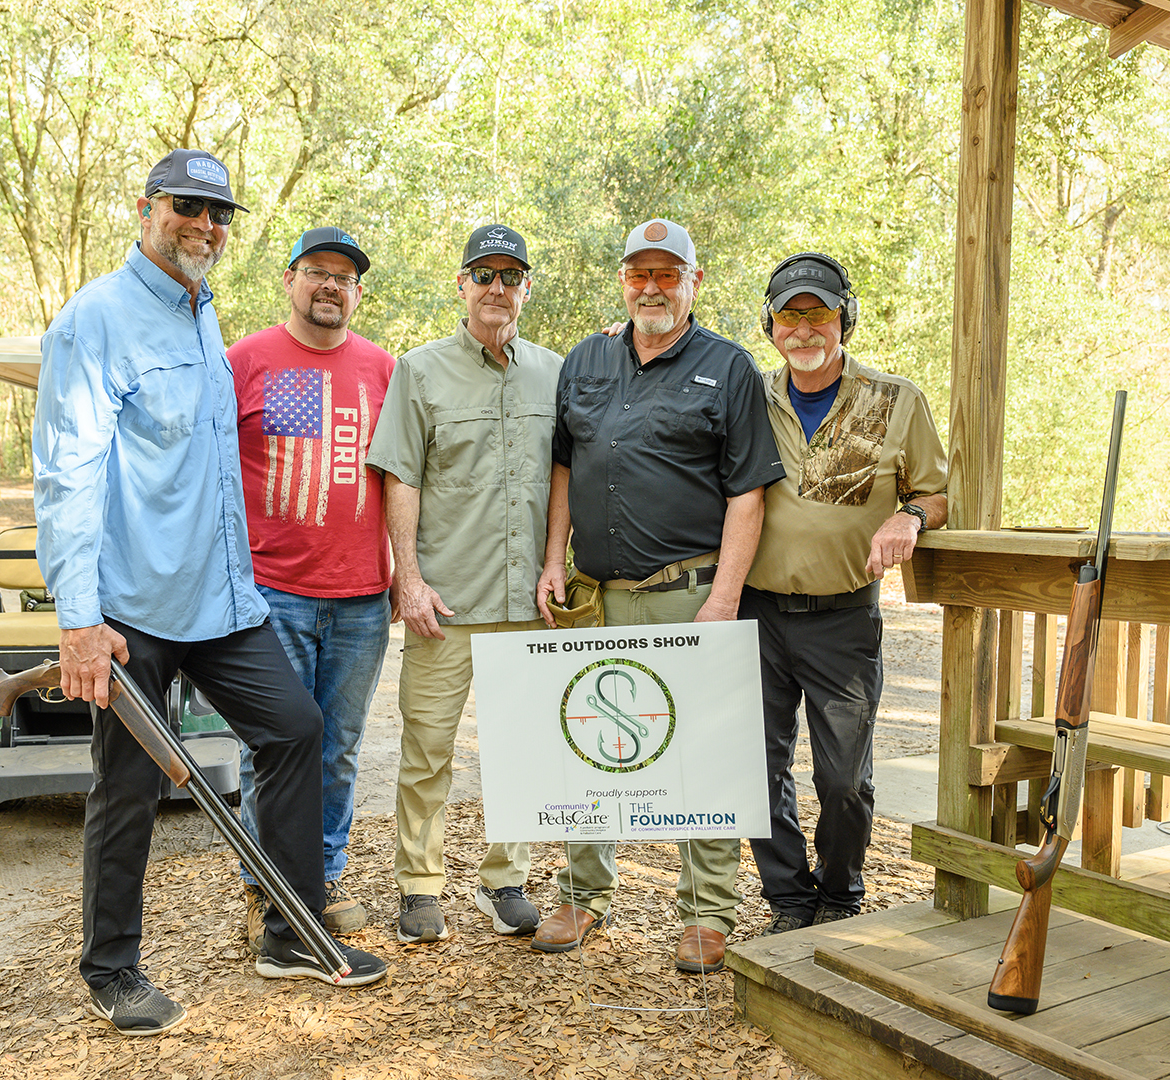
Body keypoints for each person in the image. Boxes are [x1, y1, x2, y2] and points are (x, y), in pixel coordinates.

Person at [32, 150, 386, 1037]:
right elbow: (65, 478)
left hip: (223, 604)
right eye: (188, 207)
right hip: (131, 612)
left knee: (296, 730)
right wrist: (79, 619)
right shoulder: (96, 319)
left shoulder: (202, 314)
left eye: (219, 213)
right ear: (147, 209)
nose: (205, 225)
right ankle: (111, 968)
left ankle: (290, 931)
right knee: (128, 787)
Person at [534, 218, 786, 975]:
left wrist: (723, 598)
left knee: (699, 755)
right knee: (590, 744)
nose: (651, 287)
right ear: (623, 280)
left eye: (667, 273)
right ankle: (582, 893)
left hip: (689, 591)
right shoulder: (585, 359)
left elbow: (749, 494)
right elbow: (561, 469)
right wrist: (554, 559)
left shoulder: (727, 368)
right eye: (639, 274)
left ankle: (706, 912)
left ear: (692, 282)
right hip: (595, 592)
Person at [365, 224, 563, 944]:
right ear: (462, 285)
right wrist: (408, 580)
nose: (496, 289)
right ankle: (419, 886)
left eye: (510, 277)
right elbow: (400, 477)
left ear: (525, 289)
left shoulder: (556, 371)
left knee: (523, 748)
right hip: (445, 602)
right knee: (426, 750)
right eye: (483, 275)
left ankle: (503, 878)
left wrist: (553, 563)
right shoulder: (419, 371)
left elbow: (563, 477)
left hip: (526, 603)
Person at [740, 252, 948, 934]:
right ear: (769, 326)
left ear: (844, 321)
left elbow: (937, 492)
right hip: (757, 613)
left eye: (818, 315)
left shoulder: (894, 400)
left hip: (843, 619)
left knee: (842, 779)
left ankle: (838, 892)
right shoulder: (748, 398)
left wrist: (907, 515)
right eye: (788, 316)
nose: (803, 330)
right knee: (755, 770)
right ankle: (789, 901)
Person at [229, 227, 395, 943]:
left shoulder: (384, 370)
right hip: (270, 594)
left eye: (344, 277)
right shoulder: (243, 361)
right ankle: (263, 887)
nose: (330, 285)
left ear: (357, 293)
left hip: (361, 596)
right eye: (316, 272)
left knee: (337, 745)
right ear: (290, 280)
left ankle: (318, 880)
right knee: (271, 746)